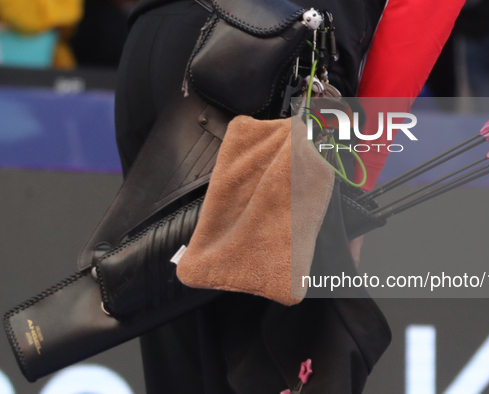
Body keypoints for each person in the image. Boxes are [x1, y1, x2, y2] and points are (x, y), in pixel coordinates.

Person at [115, 0, 463, 391]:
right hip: (274, 57)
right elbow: (416, 16)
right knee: (283, 357)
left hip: (159, 35)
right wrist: (355, 189)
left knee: (183, 354)